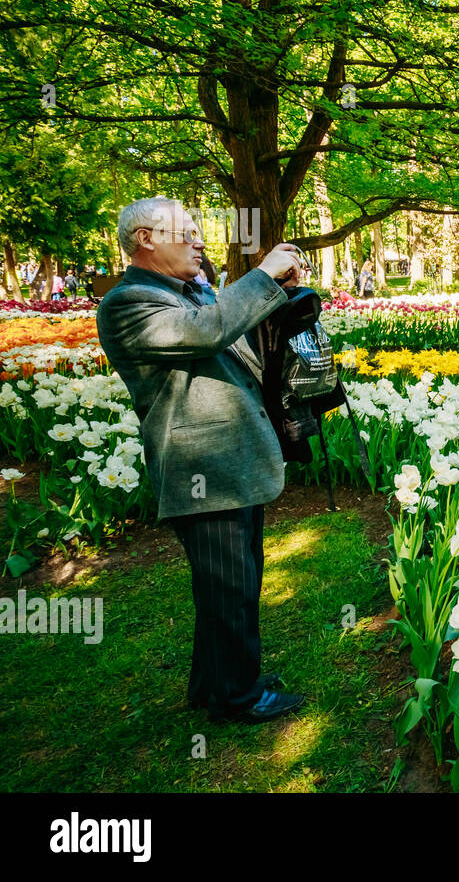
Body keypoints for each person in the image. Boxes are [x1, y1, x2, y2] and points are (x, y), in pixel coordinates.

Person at [97, 196, 307, 723]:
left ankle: (216, 681)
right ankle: (237, 698)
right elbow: (208, 331)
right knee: (228, 586)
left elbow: (233, 343)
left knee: (231, 582)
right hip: (202, 467)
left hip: (229, 459)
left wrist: (279, 296)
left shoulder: (188, 292)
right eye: (185, 231)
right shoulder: (129, 303)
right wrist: (260, 275)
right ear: (145, 239)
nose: (199, 239)